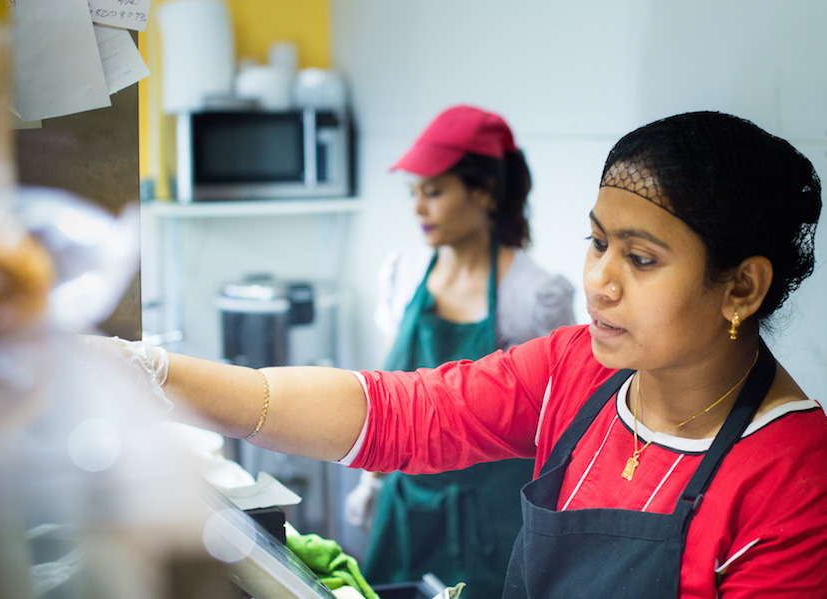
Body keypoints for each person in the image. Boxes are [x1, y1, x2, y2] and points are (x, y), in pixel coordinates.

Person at [100, 111, 826, 598]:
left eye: (639, 258)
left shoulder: (793, 477)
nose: (598, 282)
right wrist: (155, 375)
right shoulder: (576, 370)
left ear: (741, 286)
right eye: (598, 242)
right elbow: (400, 411)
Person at [343, 105, 575, 598]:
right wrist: (372, 482)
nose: (417, 209)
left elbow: (559, 424)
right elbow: (392, 388)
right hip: (410, 506)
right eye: (413, 193)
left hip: (492, 521)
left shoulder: (532, 294)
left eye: (433, 192)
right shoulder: (404, 273)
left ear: (483, 191)